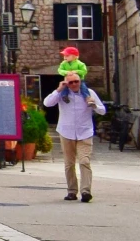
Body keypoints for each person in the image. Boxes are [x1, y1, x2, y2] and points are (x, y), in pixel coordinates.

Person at [44, 71, 106, 202]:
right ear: (66, 83)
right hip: (67, 132)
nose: (73, 84)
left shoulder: (88, 93)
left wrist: (93, 105)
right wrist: (59, 89)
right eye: (70, 82)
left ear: (80, 81)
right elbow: (47, 103)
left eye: (76, 81)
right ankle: (72, 191)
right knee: (69, 163)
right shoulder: (62, 94)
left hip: (85, 132)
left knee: (84, 161)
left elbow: (102, 110)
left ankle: (85, 191)